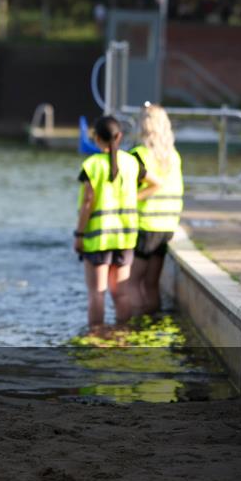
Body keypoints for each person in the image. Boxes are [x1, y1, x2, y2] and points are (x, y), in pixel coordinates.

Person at [74, 116, 139, 330]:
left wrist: (79, 235)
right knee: (121, 292)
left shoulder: (92, 165)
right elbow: (148, 183)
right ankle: (124, 334)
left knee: (97, 293)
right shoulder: (132, 162)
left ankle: (97, 337)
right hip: (125, 238)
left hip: (97, 239)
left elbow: (87, 203)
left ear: (96, 139)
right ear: (119, 136)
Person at [129, 104, 183, 315]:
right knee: (151, 283)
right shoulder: (173, 156)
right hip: (167, 226)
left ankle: (132, 328)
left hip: (146, 226)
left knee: (132, 282)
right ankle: (153, 328)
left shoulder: (139, 155)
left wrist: (130, 200)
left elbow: (147, 186)